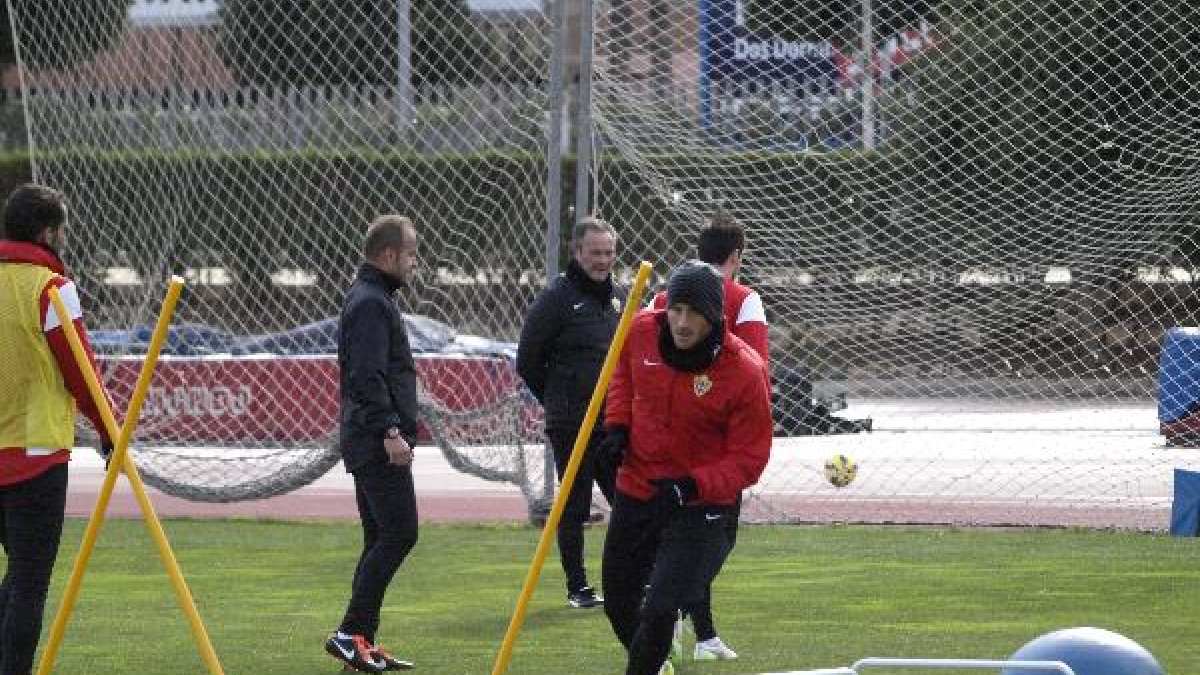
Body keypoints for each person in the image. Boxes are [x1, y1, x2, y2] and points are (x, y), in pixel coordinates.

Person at [600, 261, 773, 675]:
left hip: (702, 507)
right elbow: (622, 373)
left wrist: (692, 484)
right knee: (619, 598)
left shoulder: (745, 371)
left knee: (661, 607)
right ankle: (656, 661)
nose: (681, 322)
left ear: (714, 317)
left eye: (693, 312)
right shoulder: (639, 330)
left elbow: (750, 458)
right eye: (676, 309)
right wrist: (617, 426)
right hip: (638, 488)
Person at [0, 184, 114, 675]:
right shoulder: (50, 288)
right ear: (49, 232)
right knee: (29, 580)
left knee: (15, 580)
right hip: (35, 453)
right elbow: (81, 371)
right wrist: (111, 431)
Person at [648, 213, 765, 661]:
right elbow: (757, 364)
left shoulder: (662, 297)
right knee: (715, 540)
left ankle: (705, 634)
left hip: (664, 440)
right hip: (718, 446)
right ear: (737, 256)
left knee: (684, 539)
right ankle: (672, 611)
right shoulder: (745, 298)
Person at [326, 214, 420, 673]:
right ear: (388, 255)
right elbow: (366, 375)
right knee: (401, 534)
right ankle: (349, 633)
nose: (415, 262)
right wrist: (390, 431)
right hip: (376, 440)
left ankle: (359, 645)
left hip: (371, 438)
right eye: (411, 253)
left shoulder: (374, 297)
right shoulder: (370, 303)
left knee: (379, 538)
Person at [516, 216, 623, 608]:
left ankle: (631, 578)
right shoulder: (556, 299)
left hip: (611, 423)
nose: (603, 260)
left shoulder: (615, 299)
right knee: (574, 505)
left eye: (609, 252)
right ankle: (578, 587)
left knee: (627, 500)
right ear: (577, 253)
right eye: (595, 252)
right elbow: (527, 360)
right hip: (571, 424)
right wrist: (558, 402)